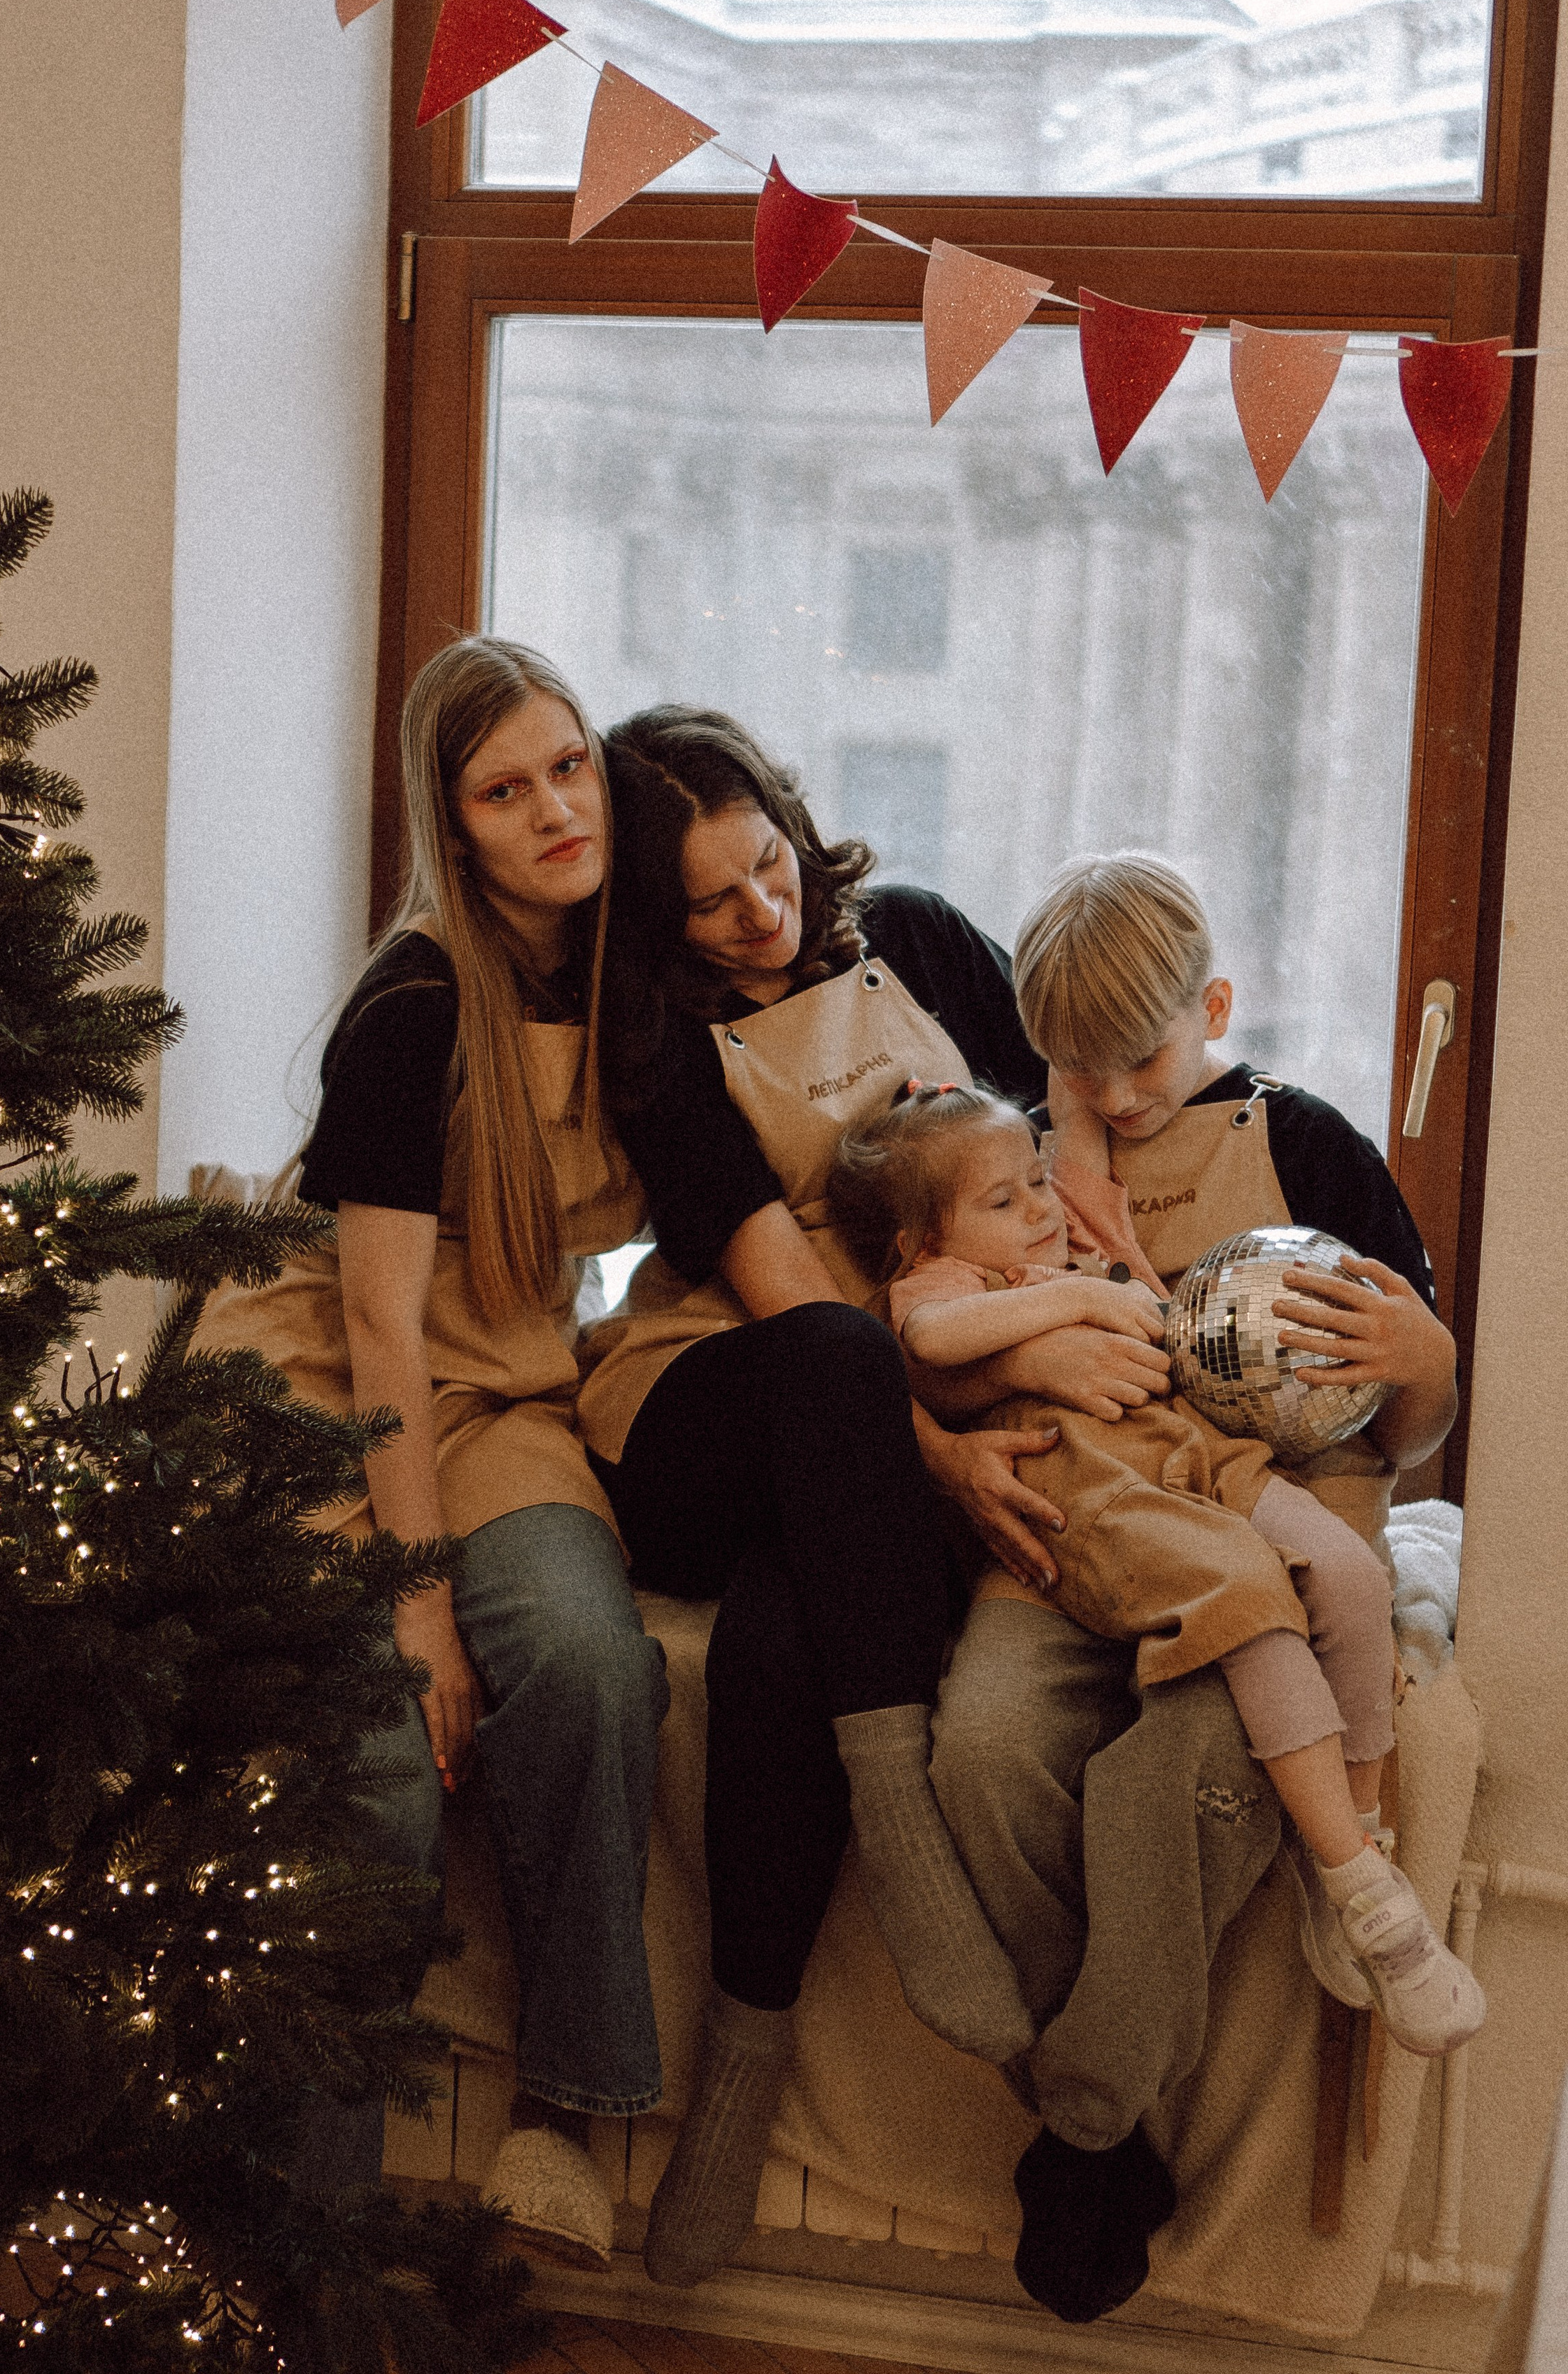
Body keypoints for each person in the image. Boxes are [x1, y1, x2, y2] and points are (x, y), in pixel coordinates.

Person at [580, 705, 1173, 2291]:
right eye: (709, 901)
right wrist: (948, 1460)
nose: (758, 912)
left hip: (904, 1408)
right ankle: (901, 1832)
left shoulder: (912, 937)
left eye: (764, 864)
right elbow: (792, 1305)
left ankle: (738, 2079)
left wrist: (1097, 1289)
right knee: (840, 1356)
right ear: (657, 919)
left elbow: (1052, 1122)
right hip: (722, 1400)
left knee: (786, 1644)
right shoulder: (661, 1054)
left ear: (790, 825)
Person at [926, 851, 1463, 2321]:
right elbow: (935, 1331)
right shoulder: (1023, 1159)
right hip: (1071, 1544)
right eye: (1074, 1069)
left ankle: (1087, 2127)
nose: (1111, 1098)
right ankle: (1114, 2090)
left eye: (1144, 1057)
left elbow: (1406, 1424)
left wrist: (1420, 1370)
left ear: (1213, 1005)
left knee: (1158, 1788)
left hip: (1266, 1558)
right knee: (976, 1752)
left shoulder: (1312, 1151)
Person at [831, 1076, 1485, 2060]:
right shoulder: (946, 1288)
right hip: (1100, 1497)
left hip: (1201, 1461)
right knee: (1250, 1602)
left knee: (1349, 1577)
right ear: (926, 1243)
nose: (1042, 1210)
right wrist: (1083, 1295)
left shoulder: (1078, 1247)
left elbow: (1162, 1317)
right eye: (1005, 1203)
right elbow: (930, 1337)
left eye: (1039, 1182)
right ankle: (1371, 1901)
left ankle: (1342, 1850)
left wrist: (1126, 1269)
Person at [293, 638, 670, 2270]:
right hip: (342, 1405)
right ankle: (301, 2230)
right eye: (504, 791)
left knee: (592, 1662)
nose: (551, 811)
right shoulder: (410, 1005)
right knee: (376, 1767)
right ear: (452, 826)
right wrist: (419, 1603)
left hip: (510, 1401)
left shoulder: (624, 979)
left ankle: (564, 2118)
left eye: (568, 766)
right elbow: (377, 1327)